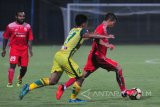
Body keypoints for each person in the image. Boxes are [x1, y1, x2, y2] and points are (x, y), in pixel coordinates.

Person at [19, 14, 114, 100]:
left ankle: (28, 87)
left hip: (58, 55)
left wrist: (97, 35)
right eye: (87, 23)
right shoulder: (83, 30)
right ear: (84, 24)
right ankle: (73, 99)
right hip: (65, 57)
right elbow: (87, 34)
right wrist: (105, 37)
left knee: (52, 81)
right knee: (80, 77)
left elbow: (88, 36)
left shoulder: (73, 30)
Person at [68, 13, 135, 103]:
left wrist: (106, 44)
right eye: (113, 23)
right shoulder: (101, 28)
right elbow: (96, 39)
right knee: (118, 68)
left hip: (94, 57)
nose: (113, 25)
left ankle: (65, 88)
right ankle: (124, 91)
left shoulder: (103, 28)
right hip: (99, 57)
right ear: (109, 20)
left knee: (82, 76)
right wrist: (108, 45)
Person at [1, 11, 33, 87]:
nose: (22, 18)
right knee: (12, 65)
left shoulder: (28, 26)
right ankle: (10, 83)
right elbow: (5, 37)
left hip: (24, 49)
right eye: (20, 16)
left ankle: (20, 77)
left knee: (24, 67)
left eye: (23, 16)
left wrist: (30, 49)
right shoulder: (10, 26)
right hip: (14, 49)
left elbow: (30, 38)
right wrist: (4, 49)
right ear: (16, 16)